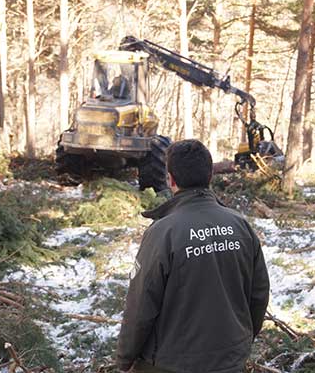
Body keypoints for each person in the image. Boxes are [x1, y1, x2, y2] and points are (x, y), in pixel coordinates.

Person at [116, 139, 270, 373]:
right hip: (230, 361)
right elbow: (259, 294)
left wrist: (124, 360)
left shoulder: (162, 233)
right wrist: (241, 342)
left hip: (171, 364)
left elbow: (140, 306)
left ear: (171, 179)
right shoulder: (240, 226)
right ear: (210, 176)